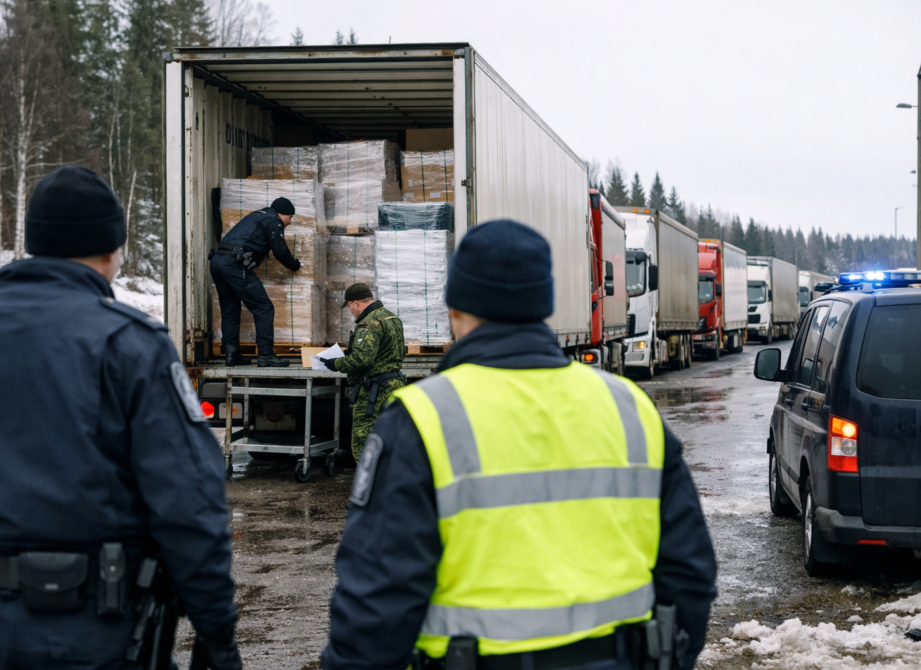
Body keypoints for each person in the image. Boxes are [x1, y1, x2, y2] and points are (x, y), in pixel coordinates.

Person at [321, 220, 717, 670]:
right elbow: (690, 577)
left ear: (455, 309)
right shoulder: (631, 409)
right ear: (543, 305)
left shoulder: (422, 419)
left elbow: (374, 609)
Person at [0, 166, 242, 670]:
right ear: (111, 249)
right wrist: (216, 633)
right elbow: (189, 502)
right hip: (99, 633)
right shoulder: (129, 344)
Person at [210, 197, 302, 368]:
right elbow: (280, 251)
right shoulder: (273, 220)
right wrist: (295, 265)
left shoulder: (257, 216)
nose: (289, 223)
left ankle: (232, 354)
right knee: (263, 307)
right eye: (290, 218)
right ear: (281, 213)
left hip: (217, 261)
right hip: (233, 264)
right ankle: (266, 354)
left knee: (230, 309)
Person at [320, 283, 406, 462]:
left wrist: (336, 363)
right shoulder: (392, 318)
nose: (350, 311)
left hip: (375, 391)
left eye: (350, 306)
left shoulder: (369, 323)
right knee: (391, 437)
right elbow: (384, 351)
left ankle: (368, 486)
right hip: (395, 385)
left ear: (356, 303)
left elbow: (363, 359)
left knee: (363, 441)